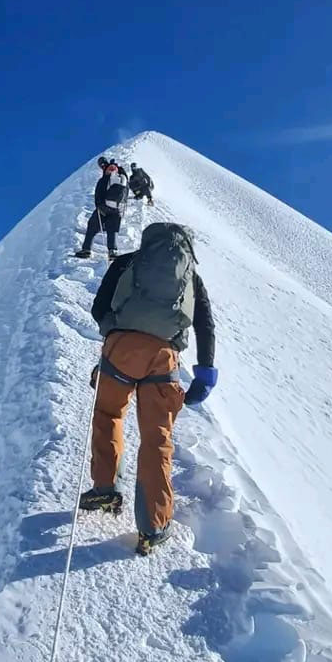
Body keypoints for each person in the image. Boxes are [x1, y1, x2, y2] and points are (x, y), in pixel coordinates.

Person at [79, 222, 217, 555]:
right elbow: (205, 325)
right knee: (157, 439)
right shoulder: (191, 279)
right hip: (164, 356)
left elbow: (99, 307)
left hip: (120, 348)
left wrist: (112, 331)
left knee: (108, 413)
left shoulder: (128, 261)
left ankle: (105, 488)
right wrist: (204, 373)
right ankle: (153, 526)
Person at [74, 157, 128, 259]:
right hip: (117, 209)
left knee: (92, 227)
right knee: (113, 230)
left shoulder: (106, 175)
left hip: (104, 207)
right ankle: (112, 252)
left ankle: (86, 250)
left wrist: (99, 205)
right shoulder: (122, 177)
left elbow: (99, 192)